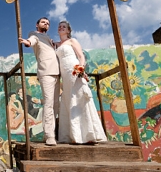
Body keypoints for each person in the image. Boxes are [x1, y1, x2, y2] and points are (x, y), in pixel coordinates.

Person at [54, 20, 107, 144]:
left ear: (68, 30)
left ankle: (88, 135)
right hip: (64, 74)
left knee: (79, 97)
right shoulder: (57, 44)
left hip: (74, 69)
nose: (61, 28)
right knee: (68, 99)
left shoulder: (73, 41)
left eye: (64, 27)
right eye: (59, 26)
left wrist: (80, 68)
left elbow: (81, 56)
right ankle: (74, 135)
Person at [19, 17, 60, 146]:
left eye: (48, 23)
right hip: (46, 72)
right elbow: (32, 41)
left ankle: (49, 133)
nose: (46, 24)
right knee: (48, 103)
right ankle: (49, 136)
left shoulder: (49, 39)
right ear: (37, 25)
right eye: (43, 22)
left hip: (57, 73)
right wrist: (27, 42)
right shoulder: (35, 34)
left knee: (55, 105)